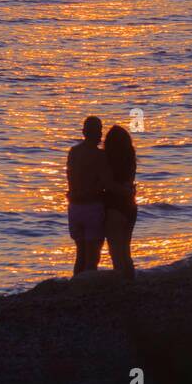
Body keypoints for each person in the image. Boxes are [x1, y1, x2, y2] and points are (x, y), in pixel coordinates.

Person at [67, 116, 111, 275]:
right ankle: (87, 290)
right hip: (92, 207)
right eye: (99, 131)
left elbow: (70, 178)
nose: (101, 134)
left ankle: (76, 287)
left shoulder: (73, 152)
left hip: (74, 207)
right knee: (92, 258)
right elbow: (106, 183)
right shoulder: (100, 156)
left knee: (80, 254)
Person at [103, 124, 137, 279]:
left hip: (114, 207)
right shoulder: (131, 158)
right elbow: (128, 183)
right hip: (130, 206)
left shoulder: (108, 160)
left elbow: (109, 185)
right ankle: (131, 281)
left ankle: (122, 286)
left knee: (116, 253)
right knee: (125, 250)